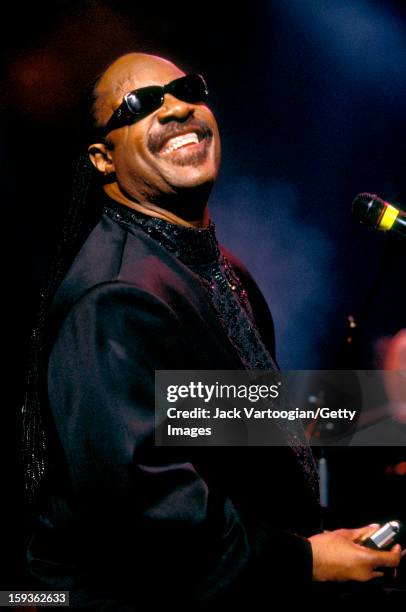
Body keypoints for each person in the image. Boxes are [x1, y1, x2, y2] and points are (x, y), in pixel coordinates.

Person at [22, 53, 402, 609]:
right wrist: (308, 560)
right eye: (141, 104)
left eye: (186, 89)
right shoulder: (114, 298)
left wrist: (385, 412)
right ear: (103, 159)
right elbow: (151, 519)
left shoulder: (213, 266)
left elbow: (220, 412)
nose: (177, 107)